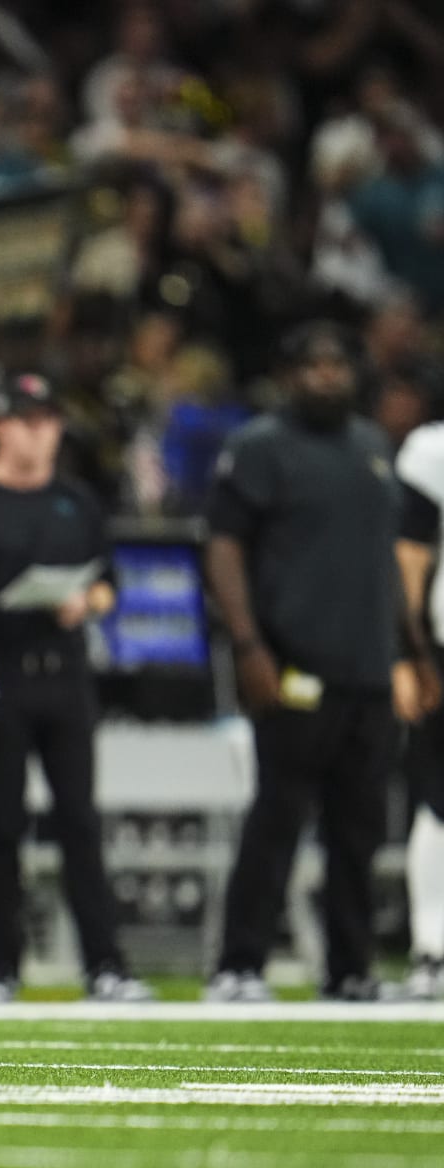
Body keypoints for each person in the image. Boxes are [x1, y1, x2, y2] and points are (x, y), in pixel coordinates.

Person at [0, 373, 152, 1003]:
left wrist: (88, 601)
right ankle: (1, 968)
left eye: (47, 420)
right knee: (2, 828)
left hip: (66, 677)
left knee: (80, 822)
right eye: (26, 420)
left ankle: (105, 965)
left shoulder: (76, 501)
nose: (39, 432)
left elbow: (109, 581)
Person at [204, 323, 406, 1003]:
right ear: (288, 375)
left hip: (369, 669)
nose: (327, 375)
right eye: (313, 364)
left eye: (337, 363)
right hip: (292, 665)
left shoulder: (375, 449)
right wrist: (249, 646)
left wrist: (410, 652)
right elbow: (224, 548)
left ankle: (349, 968)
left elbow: (389, 563)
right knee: (277, 820)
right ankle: (240, 964)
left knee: (360, 831)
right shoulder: (260, 448)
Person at [393, 415, 444, 1001]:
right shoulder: (431, 453)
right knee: (438, 799)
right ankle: (430, 945)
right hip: (442, 647)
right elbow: (409, 557)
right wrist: (408, 653)